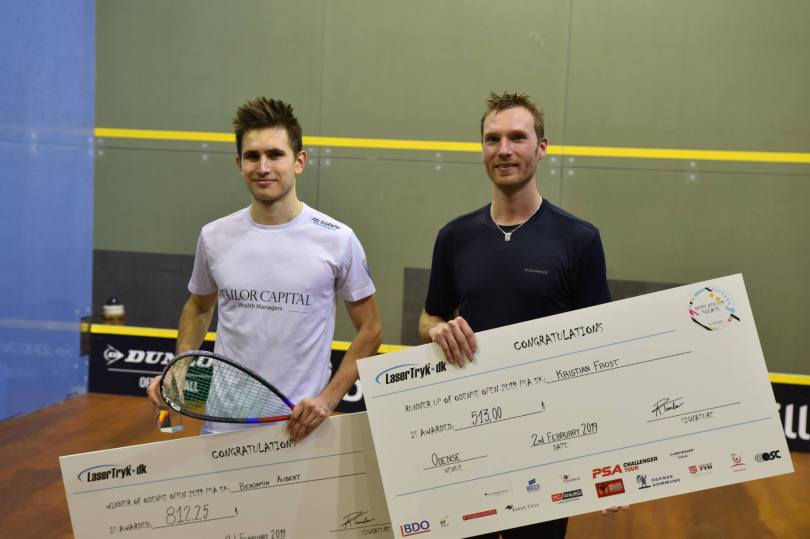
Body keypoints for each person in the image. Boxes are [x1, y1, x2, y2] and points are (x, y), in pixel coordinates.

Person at [418, 92, 619, 538]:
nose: (504, 150)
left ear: (541, 147)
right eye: (493, 139)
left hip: (548, 443)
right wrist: (438, 331)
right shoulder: (453, 237)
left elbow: (601, 352)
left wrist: (607, 459)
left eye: (517, 138)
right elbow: (429, 318)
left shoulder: (580, 239)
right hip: (469, 437)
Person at [147, 97, 382, 441]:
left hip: (301, 430)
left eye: (275, 154)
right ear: (239, 163)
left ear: (299, 161)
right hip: (222, 428)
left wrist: (327, 400)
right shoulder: (214, 236)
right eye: (252, 156)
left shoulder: (338, 239)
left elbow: (371, 330)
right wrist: (179, 372)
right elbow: (198, 307)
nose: (263, 167)